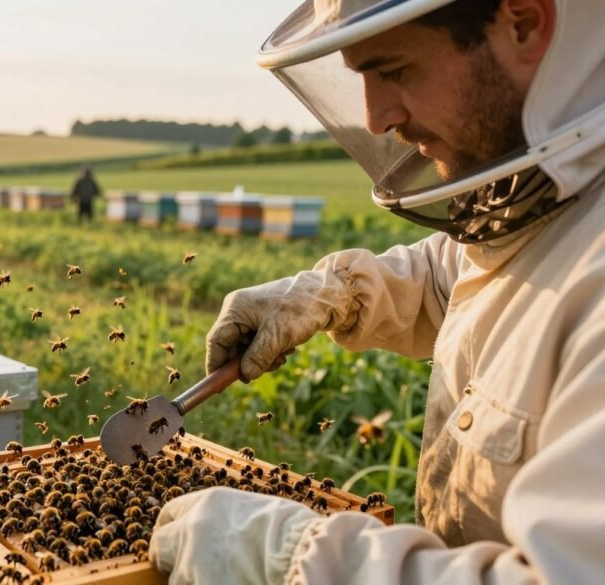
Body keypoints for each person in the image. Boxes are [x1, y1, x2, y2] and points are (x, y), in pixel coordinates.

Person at [149, 0, 605, 583]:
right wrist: (333, 292)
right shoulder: (554, 195)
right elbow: (472, 272)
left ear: (523, 23)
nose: (374, 117)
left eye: (392, 70)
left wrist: (287, 557)